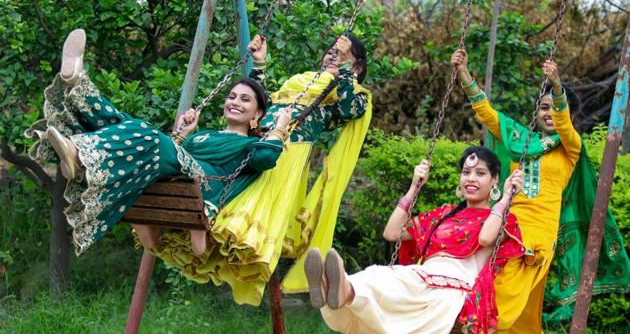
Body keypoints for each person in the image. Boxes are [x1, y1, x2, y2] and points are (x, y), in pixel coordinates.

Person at [25, 28, 292, 255]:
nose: (235, 102)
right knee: (125, 125)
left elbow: (267, 157)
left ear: (258, 114)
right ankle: (77, 84)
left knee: (147, 133)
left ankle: (76, 151)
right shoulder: (205, 134)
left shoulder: (250, 147)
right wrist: (183, 134)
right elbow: (171, 157)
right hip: (182, 169)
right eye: (232, 96)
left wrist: (278, 123)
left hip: (205, 182)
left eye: (245, 100)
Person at [151, 33, 373, 305]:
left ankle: (223, 254)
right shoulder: (301, 82)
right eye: (330, 52)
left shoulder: (344, 94)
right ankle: (192, 238)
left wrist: (345, 71)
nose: (332, 55)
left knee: (248, 220)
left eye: (341, 53)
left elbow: (353, 110)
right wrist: (259, 65)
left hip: (285, 157)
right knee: (223, 205)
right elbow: (259, 106)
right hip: (253, 149)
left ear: (357, 67)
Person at [451, 49, 630, 331]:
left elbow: (563, 123)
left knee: (507, 285)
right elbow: (486, 112)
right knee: (511, 295)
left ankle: (477, 322)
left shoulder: (570, 147)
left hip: (537, 233)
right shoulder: (520, 141)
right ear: (536, 110)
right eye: (543, 107)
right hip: (504, 222)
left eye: (556, 107)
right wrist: (463, 73)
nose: (549, 113)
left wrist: (557, 86)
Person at [305, 146, 526, 334]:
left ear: (495, 179)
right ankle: (335, 291)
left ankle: (343, 289)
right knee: (379, 273)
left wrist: (507, 197)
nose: (471, 179)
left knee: (400, 283)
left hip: (454, 286)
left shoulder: (499, 218)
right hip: (424, 275)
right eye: (466, 172)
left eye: (480, 173)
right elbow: (392, 233)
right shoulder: (444, 214)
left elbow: (486, 238)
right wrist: (415, 187)